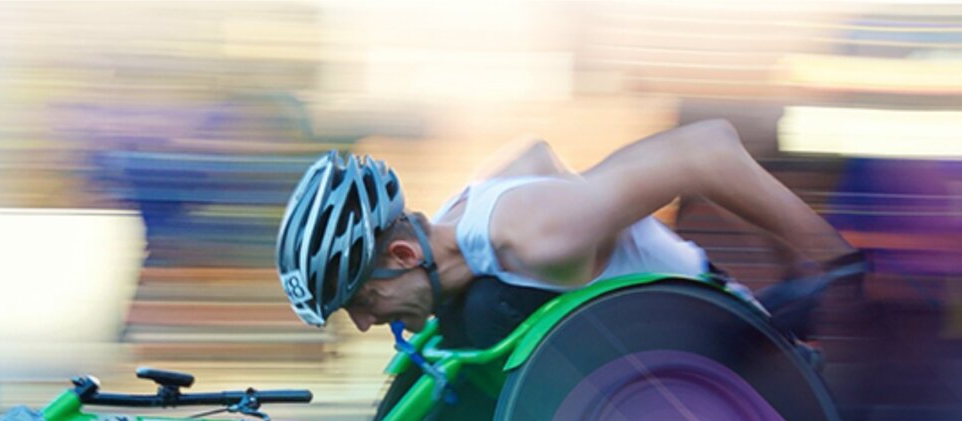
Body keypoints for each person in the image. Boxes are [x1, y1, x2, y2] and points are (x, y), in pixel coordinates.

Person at [275, 120, 864, 349]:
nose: (365, 322)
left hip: (721, 345)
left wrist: (833, 266)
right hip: (648, 353)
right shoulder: (464, 216)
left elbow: (705, 151)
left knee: (485, 313)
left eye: (362, 299)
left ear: (405, 254)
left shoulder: (537, 236)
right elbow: (534, 153)